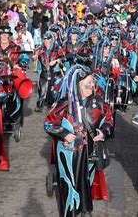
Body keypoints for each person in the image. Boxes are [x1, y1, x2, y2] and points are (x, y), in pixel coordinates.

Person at [44, 65, 113, 216]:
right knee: (68, 184)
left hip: (90, 150)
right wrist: (63, 133)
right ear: (78, 85)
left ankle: (85, 209)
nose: (91, 86)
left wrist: (104, 132)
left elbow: (109, 119)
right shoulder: (65, 103)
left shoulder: (98, 102)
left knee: (86, 182)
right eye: (87, 83)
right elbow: (48, 123)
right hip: (68, 152)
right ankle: (69, 213)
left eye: (92, 83)